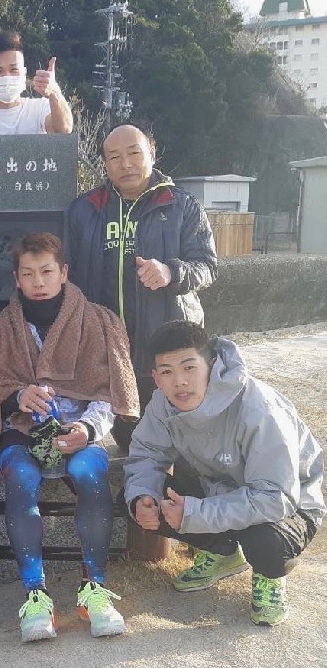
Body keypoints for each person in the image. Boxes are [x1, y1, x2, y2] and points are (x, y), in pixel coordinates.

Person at [0, 232, 138, 642]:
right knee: (21, 478)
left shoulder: (98, 321)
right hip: (22, 431)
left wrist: (87, 429)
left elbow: (112, 390)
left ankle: (94, 589)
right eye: (28, 273)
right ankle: (35, 595)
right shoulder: (1, 328)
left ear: (63, 272)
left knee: (90, 474)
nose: (38, 281)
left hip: (83, 430)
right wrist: (16, 396)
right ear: (16, 279)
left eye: (46, 271)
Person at [123, 320, 324, 627]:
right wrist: (142, 497)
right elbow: (147, 454)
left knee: (265, 542)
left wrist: (194, 513)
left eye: (189, 367)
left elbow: (276, 497)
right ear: (155, 377)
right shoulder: (163, 403)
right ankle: (224, 554)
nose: (179, 382)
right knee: (137, 497)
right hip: (220, 488)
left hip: (289, 504)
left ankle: (269, 576)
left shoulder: (259, 409)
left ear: (212, 364)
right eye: (167, 371)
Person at [65, 123, 217, 449]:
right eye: (114, 157)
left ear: (152, 153)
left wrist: (171, 272)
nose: (126, 163)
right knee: (129, 441)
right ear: (105, 164)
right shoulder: (85, 209)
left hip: (166, 346)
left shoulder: (181, 205)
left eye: (134, 153)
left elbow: (207, 266)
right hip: (109, 350)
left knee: (180, 437)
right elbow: (68, 275)